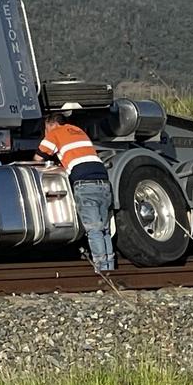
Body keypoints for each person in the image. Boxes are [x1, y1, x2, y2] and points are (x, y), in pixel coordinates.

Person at [34, 112, 115, 272]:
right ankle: (110, 268)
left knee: (93, 229)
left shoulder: (55, 133)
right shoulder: (78, 131)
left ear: (52, 124)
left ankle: (102, 271)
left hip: (85, 183)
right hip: (104, 182)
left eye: (45, 128)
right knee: (104, 229)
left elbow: (38, 158)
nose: (45, 132)